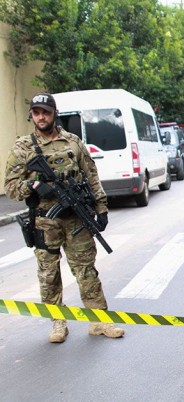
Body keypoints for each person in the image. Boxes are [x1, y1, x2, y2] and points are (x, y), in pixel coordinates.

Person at [4, 93, 125, 343]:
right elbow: (11, 187)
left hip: (76, 219)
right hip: (44, 221)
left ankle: (99, 320)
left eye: (45, 112)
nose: (41, 117)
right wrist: (36, 186)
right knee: (49, 275)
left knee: (86, 270)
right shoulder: (23, 147)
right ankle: (58, 323)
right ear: (32, 115)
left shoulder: (73, 142)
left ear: (54, 113)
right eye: (36, 112)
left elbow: (91, 174)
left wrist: (101, 207)